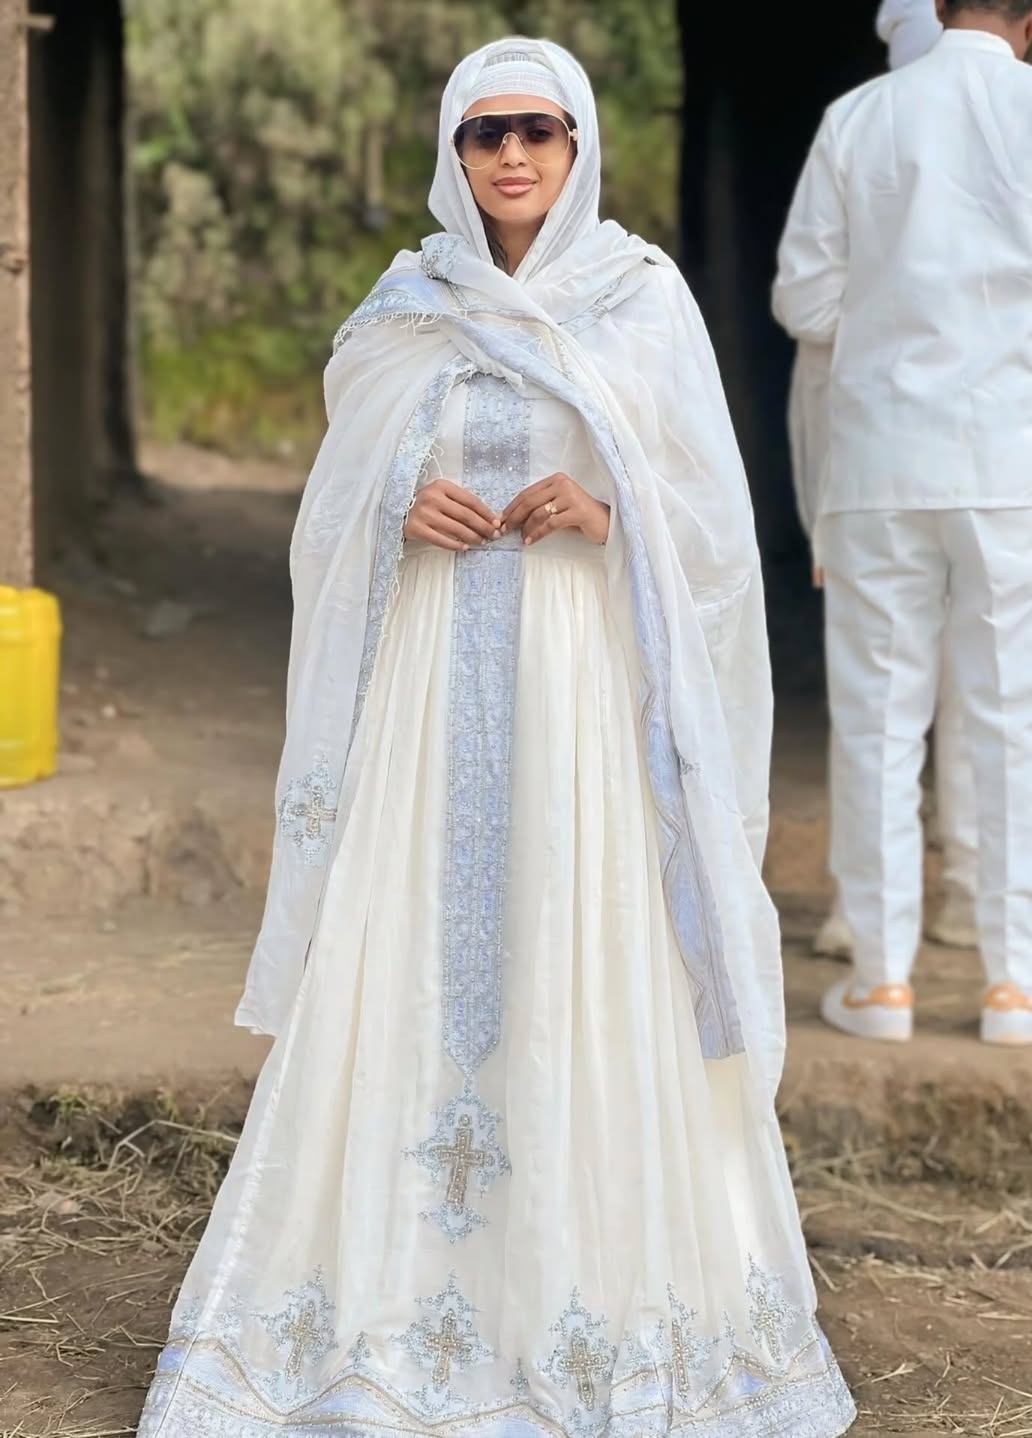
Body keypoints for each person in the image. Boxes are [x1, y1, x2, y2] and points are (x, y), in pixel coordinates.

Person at [136, 38, 856, 1438]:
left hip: (582, 684)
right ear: (452, 156)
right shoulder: (405, 304)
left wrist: (608, 513)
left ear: (579, 147)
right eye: (483, 135)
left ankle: (591, 1316)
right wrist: (400, 498)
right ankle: (382, 1314)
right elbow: (335, 491)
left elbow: (710, 520)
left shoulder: (640, 302)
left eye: (536, 130)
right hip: (425, 694)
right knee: (406, 952)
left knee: (580, 942)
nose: (511, 155)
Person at [773, 0, 1032, 1047]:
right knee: (1013, 724)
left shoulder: (861, 118)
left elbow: (803, 300)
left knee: (878, 720)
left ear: (933, 7)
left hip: (881, 460)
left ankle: (883, 981)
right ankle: (1010, 986)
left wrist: (897, 308)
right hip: (1020, 466)